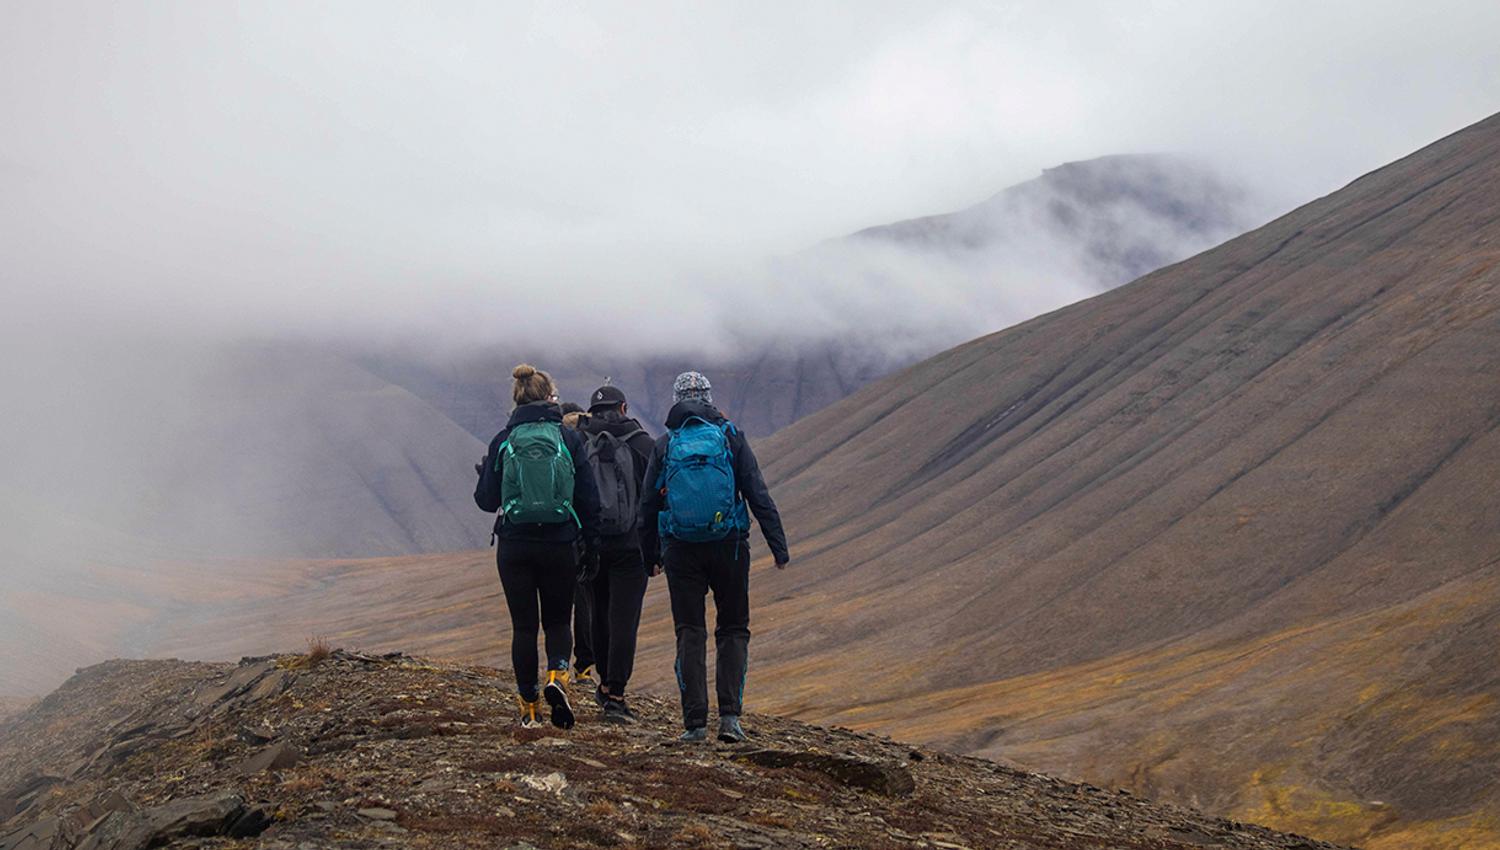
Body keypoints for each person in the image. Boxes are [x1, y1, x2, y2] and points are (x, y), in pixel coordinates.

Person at [640, 371, 789, 743]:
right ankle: (730, 721)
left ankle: (694, 725)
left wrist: (651, 557)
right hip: (730, 546)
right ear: (709, 398)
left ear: (676, 399)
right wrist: (778, 546)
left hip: (680, 549)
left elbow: (646, 506)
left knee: (690, 632)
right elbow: (757, 492)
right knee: (733, 629)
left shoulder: (665, 444)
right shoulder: (731, 438)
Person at [475, 365, 600, 730]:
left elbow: (485, 501)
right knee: (559, 620)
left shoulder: (503, 439)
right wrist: (590, 547)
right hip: (559, 542)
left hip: (515, 545)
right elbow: (588, 499)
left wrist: (485, 473)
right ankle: (557, 678)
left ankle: (529, 707)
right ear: (550, 398)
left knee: (524, 628)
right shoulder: (568, 438)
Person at [577, 383, 657, 723]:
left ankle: (603, 682)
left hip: (592, 544)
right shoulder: (643, 444)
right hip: (631, 546)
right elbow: (655, 501)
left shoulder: (579, 442)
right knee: (625, 619)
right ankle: (615, 693)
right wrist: (656, 551)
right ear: (623, 408)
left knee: (599, 612)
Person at [558, 400, 598, 689]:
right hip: (590, 532)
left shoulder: (559, 440)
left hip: (559, 531)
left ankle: (556, 665)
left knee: (558, 605)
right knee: (586, 604)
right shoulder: (593, 437)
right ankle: (584, 667)